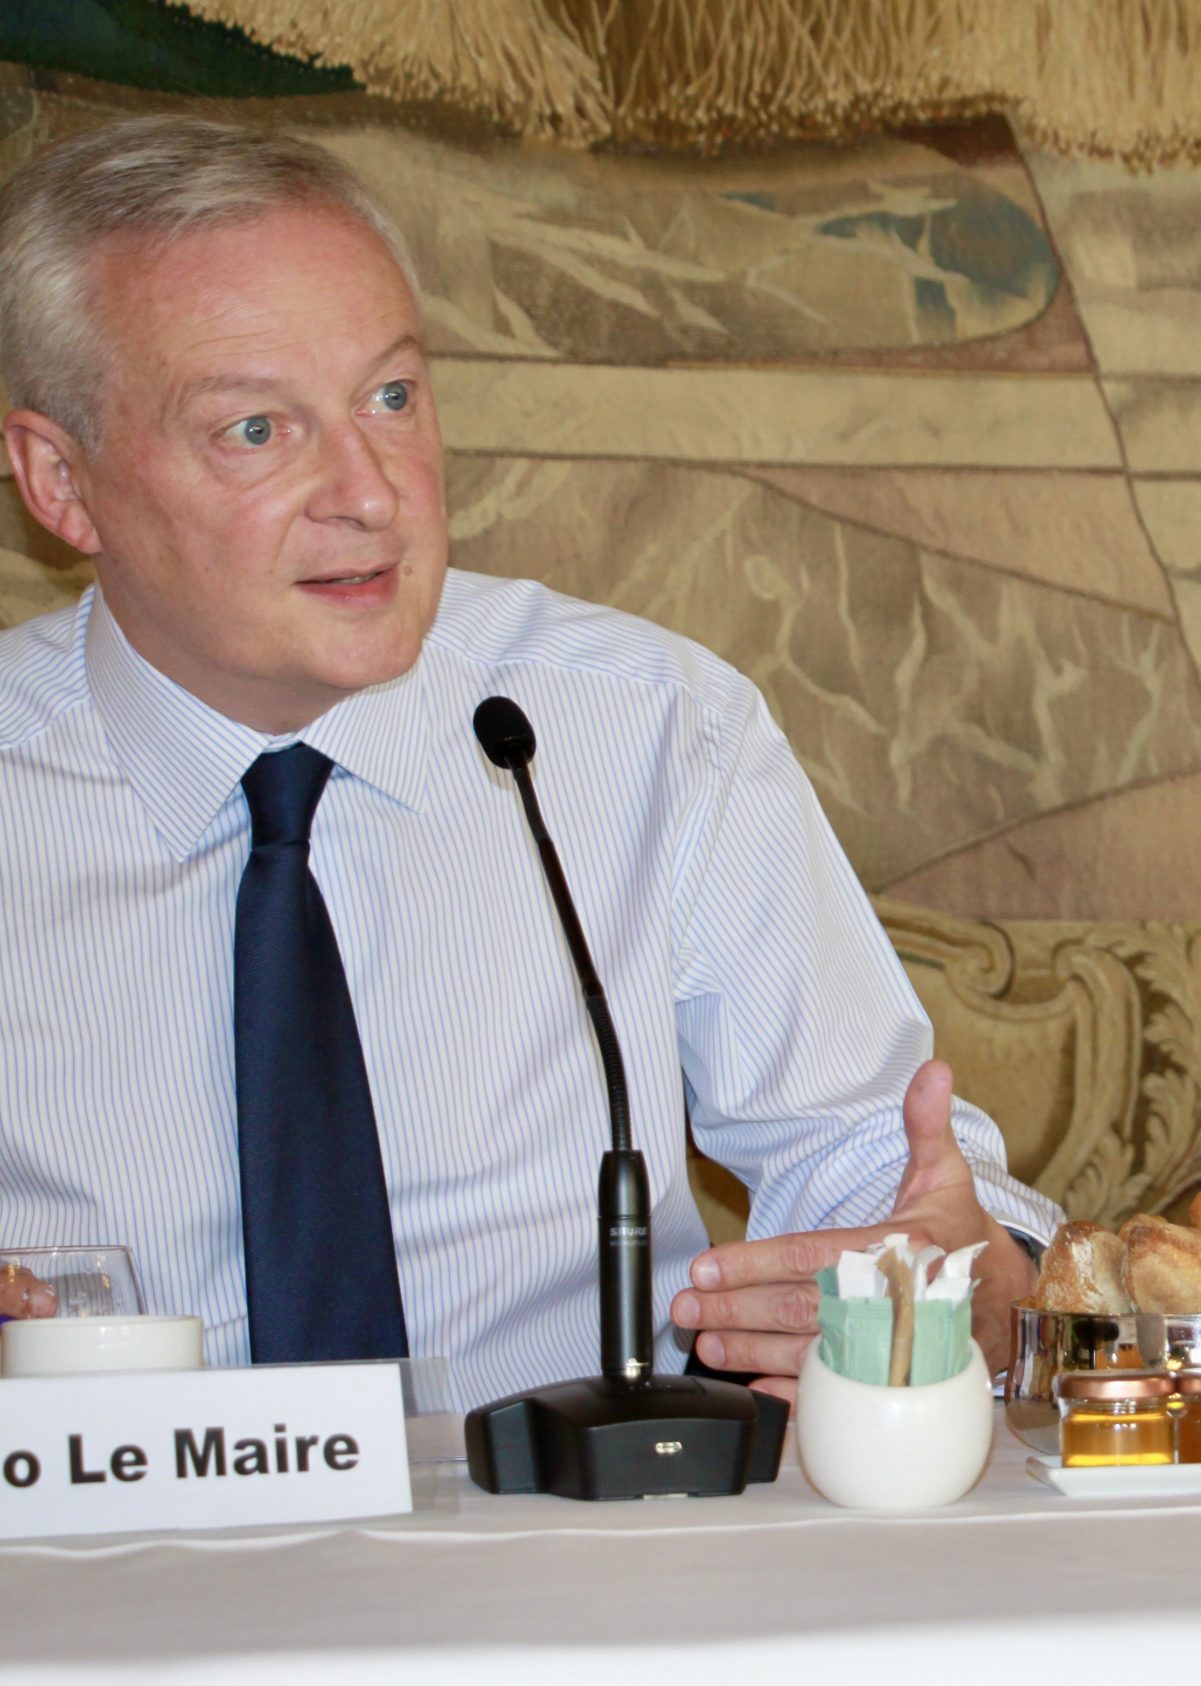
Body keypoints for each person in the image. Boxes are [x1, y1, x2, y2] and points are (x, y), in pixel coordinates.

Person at [0, 116, 1058, 1410]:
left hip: (586, 1550)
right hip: (109, 1575)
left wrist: (970, 1280)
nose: (372, 492)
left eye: (391, 397)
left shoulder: (645, 725)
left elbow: (869, 1162)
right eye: (257, 432)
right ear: (60, 479)